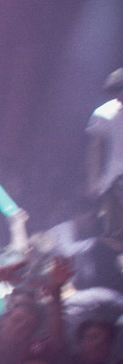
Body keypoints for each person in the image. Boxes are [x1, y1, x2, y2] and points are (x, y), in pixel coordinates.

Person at [86, 67, 123, 240]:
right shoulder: (104, 113)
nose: (118, 99)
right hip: (114, 179)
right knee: (114, 231)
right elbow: (95, 148)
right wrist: (93, 180)